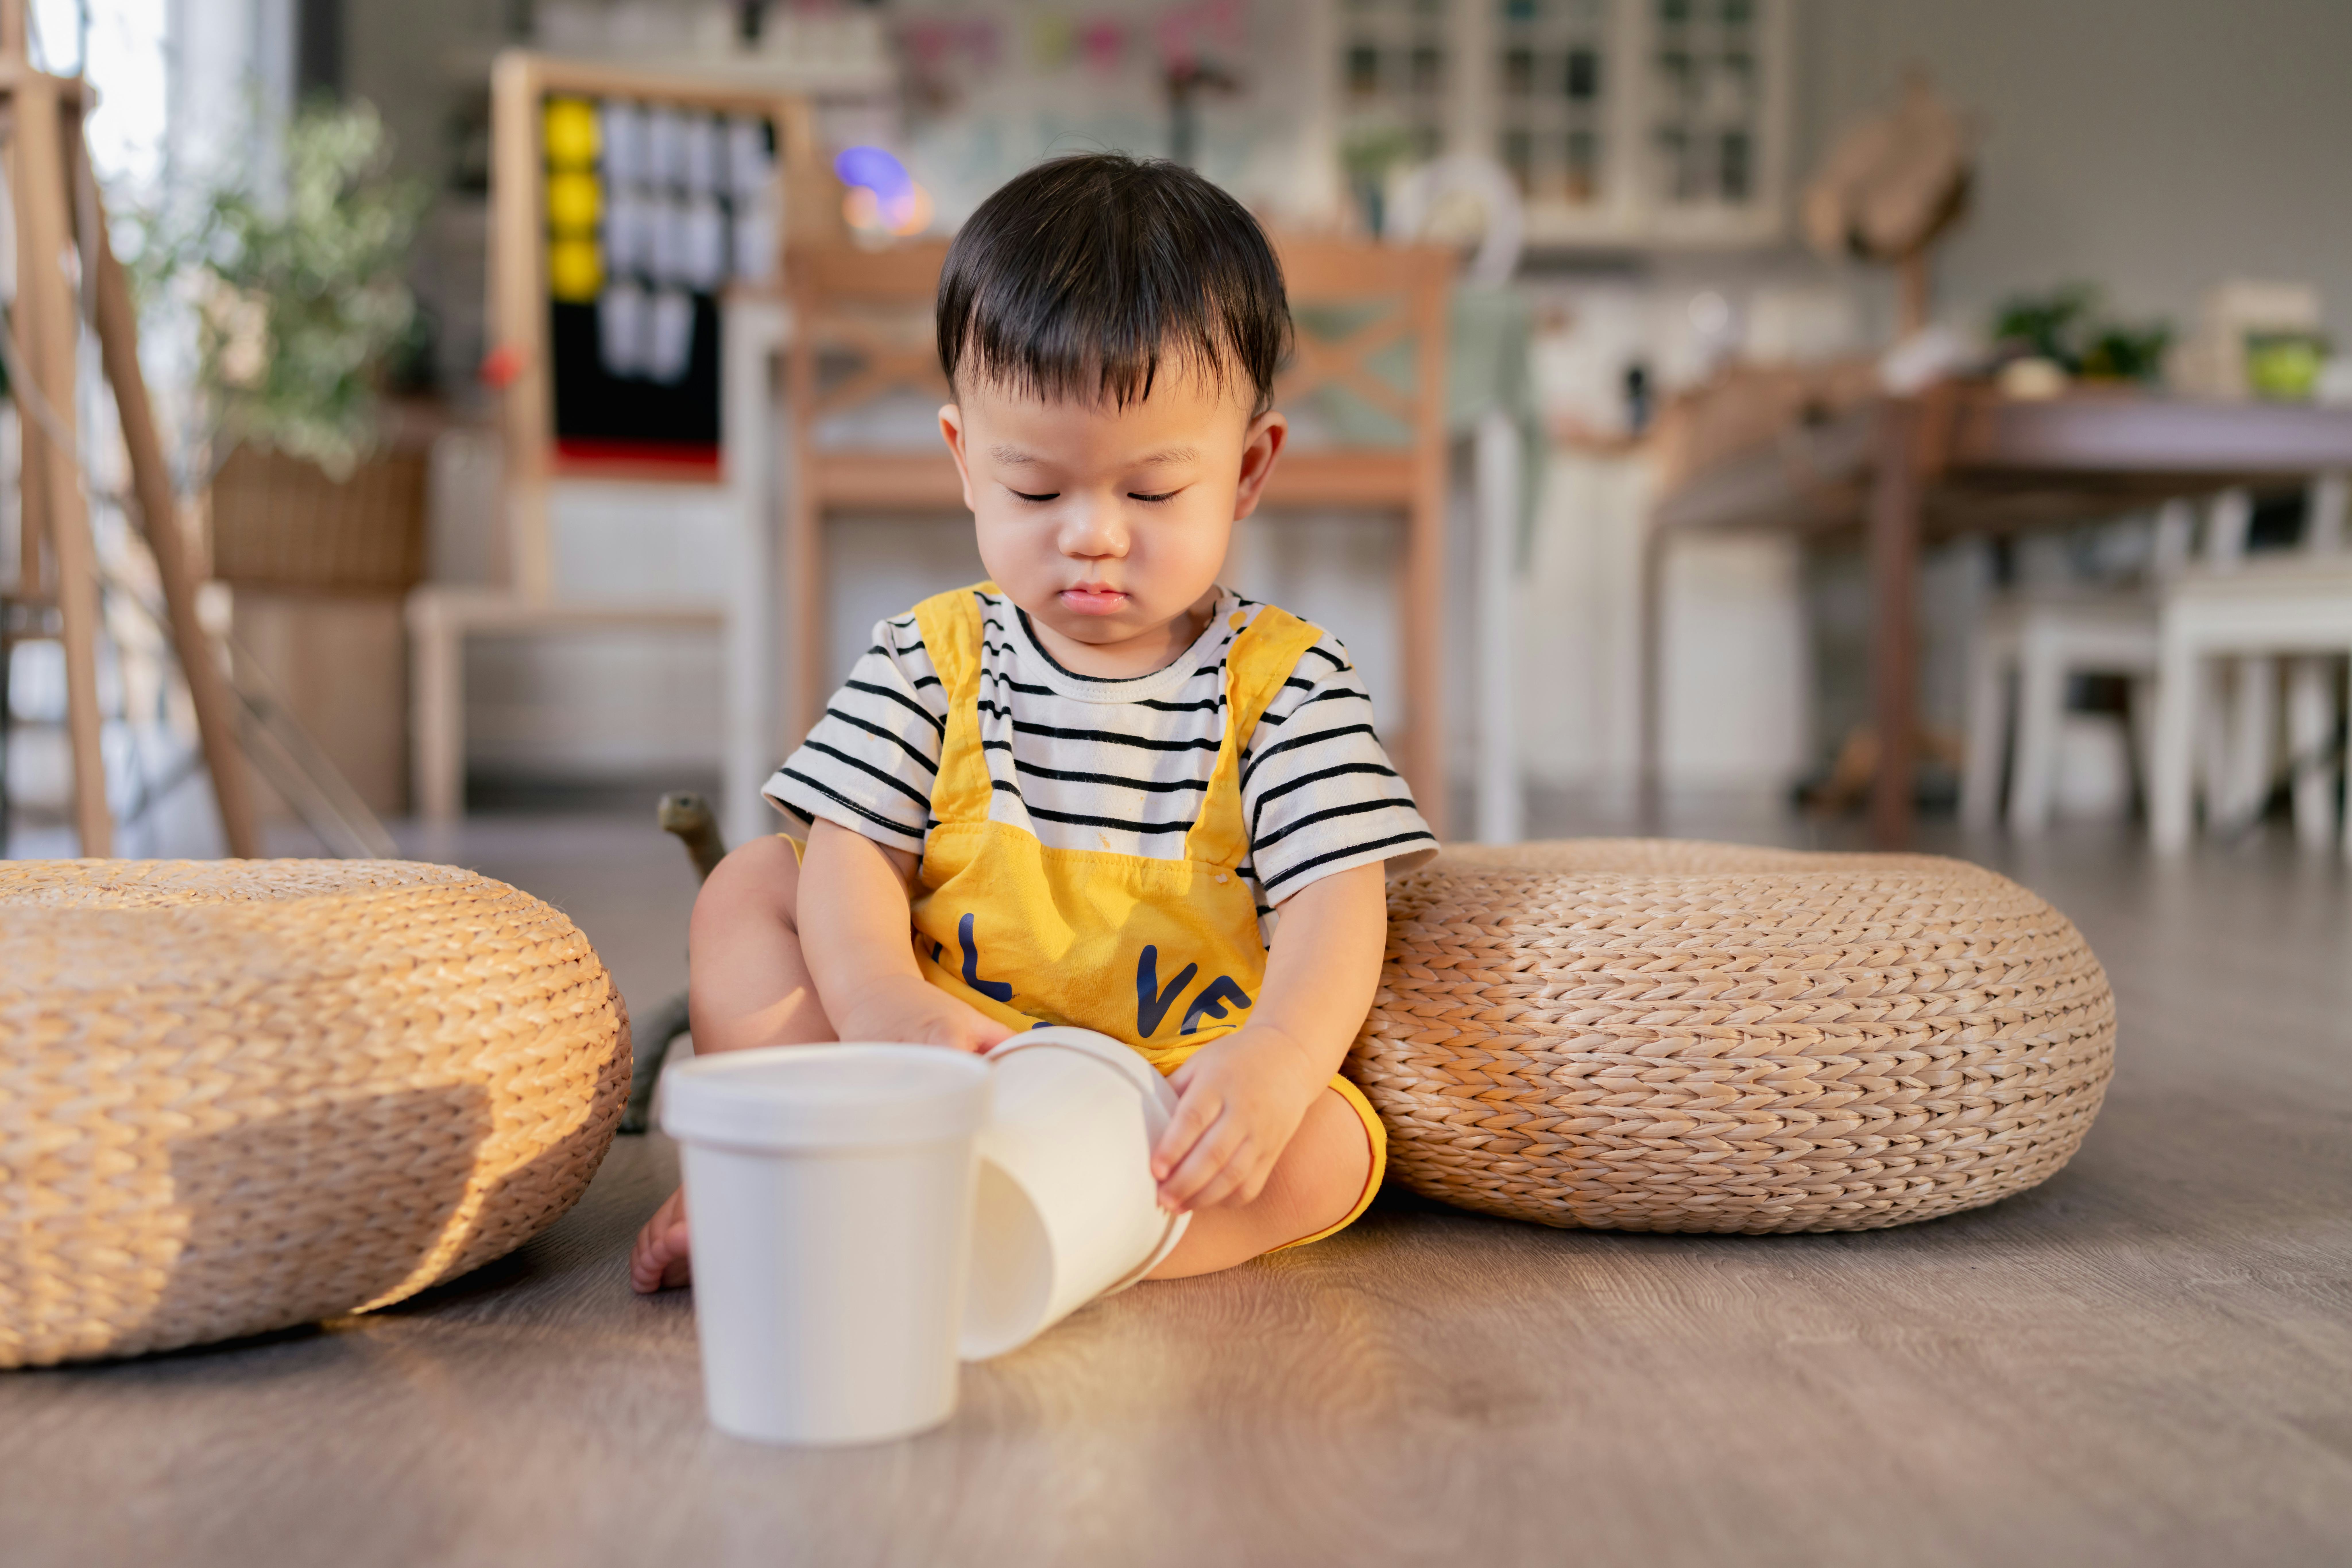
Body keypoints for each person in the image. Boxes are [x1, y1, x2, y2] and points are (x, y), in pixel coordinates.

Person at [631, 152, 1435, 1293]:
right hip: (938, 1068)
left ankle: (1034, 1240)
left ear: (1248, 471)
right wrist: (889, 1012)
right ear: (966, 463)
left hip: (1159, 1104)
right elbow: (855, 856)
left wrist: (1275, 1059)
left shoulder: (1290, 684)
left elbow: (1335, 903)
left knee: (1332, 1143)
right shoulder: (927, 657)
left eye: (1150, 493)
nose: (1092, 535)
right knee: (756, 886)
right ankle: (811, 1161)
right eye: (1038, 492)